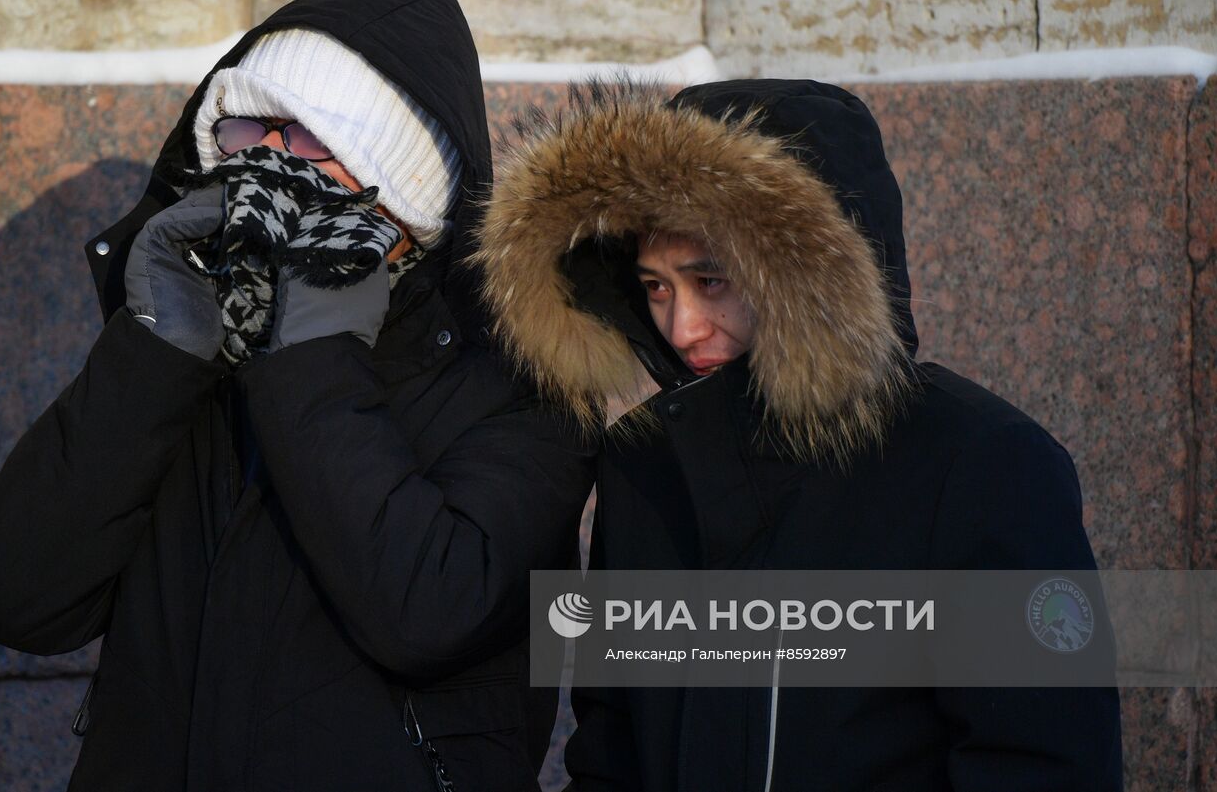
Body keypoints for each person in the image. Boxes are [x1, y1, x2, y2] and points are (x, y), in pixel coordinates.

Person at [0, 0, 595, 791]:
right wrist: (155, 353)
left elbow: (429, 614)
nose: (267, 161)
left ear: (404, 192)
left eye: (309, 139)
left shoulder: (524, 379)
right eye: (248, 128)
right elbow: (13, 594)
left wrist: (315, 348)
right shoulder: (193, 349)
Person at [474, 79, 1123, 790]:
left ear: (805, 275)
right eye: (656, 287)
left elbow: (1045, 763)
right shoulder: (648, 465)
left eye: (712, 280)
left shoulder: (984, 466)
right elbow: (610, 754)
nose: (683, 326)